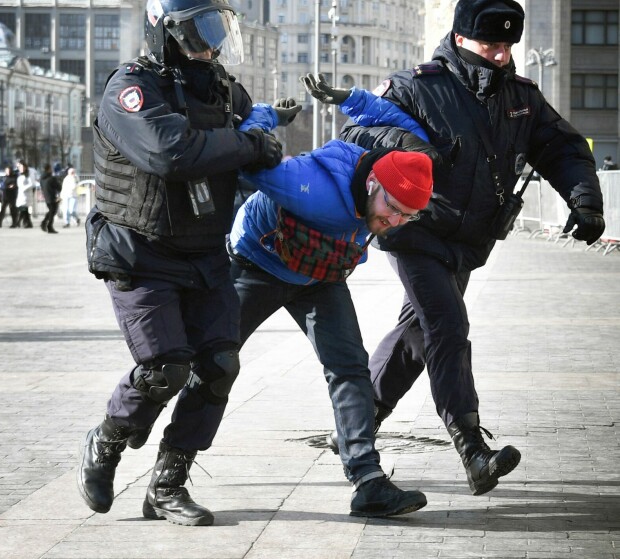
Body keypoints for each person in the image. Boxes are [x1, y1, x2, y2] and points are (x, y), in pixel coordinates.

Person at [334, 0, 605, 497]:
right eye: (491, 45)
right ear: (460, 38)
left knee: (419, 335)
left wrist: (584, 199)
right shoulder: (417, 86)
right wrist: (408, 143)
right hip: (413, 231)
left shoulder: (520, 97)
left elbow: (563, 147)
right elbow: (356, 131)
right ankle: (473, 452)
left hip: (468, 241)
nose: (501, 56)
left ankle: (356, 425)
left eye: (507, 46)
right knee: (447, 324)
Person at [77, 0, 293, 527]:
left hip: (204, 251)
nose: (210, 44)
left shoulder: (221, 89)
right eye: (199, 31)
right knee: (165, 368)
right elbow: (169, 151)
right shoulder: (131, 88)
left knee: (219, 366)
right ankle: (106, 439)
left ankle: (168, 485)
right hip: (138, 250)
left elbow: (255, 139)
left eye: (217, 30)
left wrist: (268, 142)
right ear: (165, 32)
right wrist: (248, 144)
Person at [223, 74, 434, 517]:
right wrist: (268, 116)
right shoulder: (307, 183)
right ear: (374, 185)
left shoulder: (405, 170)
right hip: (257, 262)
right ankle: (167, 470)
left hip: (320, 273)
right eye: (392, 210)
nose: (395, 221)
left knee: (349, 366)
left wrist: (352, 99)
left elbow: (407, 126)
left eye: (407, 217)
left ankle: (368, 481)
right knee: (213, 363)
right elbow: (245, 156)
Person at [39, 164, 62, 233]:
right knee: (53, 212)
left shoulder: (42, 178)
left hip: (46, 196)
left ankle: (45, 223)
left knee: (51, 211)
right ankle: (48, 226)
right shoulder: (51, 178)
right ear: (49, 169)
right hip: (52, 197)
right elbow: (59, 187)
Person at [16, 161, 35, 229]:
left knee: (23, 209)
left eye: (21, 167)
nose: (20, 168)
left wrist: (24, 188)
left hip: (26, 195)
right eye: (19, 167)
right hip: (21, 195)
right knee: (23, 210)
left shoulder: (29, 174)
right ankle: (28, 223)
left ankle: (19, 222)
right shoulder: (20, 174)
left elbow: (32, 184)